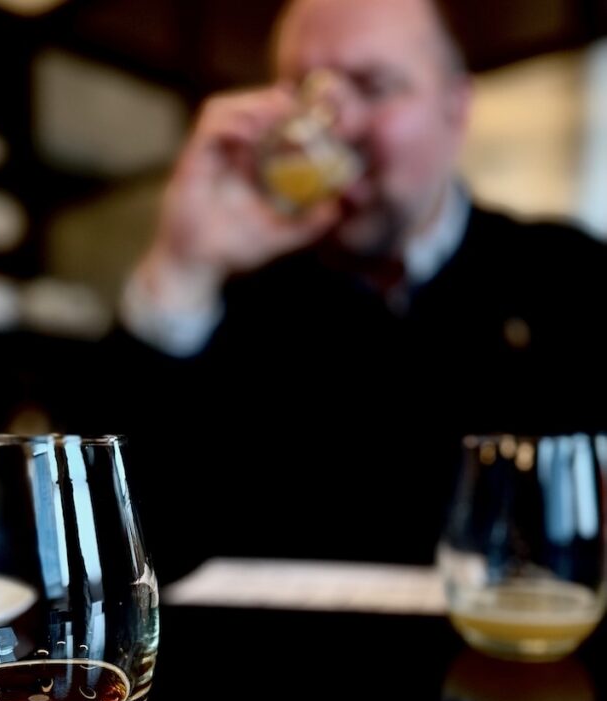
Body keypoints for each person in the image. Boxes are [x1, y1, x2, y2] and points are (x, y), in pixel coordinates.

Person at [108, 0, 607, 584]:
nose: (335, 124)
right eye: (302, 92)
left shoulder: (571, 275)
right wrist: (181, 267)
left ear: (456, 108)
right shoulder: (237, 294)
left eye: (373, 86)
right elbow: (112, 551)